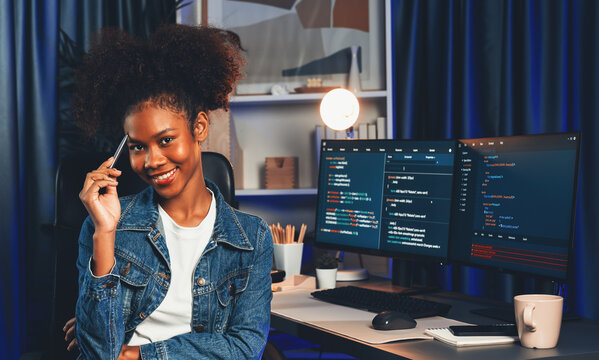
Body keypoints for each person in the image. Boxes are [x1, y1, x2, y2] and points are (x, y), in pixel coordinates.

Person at [64, 24, 273, 359]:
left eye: (165, 140)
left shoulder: (252, 238)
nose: (152, 161)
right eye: (137, 147)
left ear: (199, 127)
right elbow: (98, 354)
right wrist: (105, 233)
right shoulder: (106, 227)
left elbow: (245, 348)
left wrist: (139, 355)